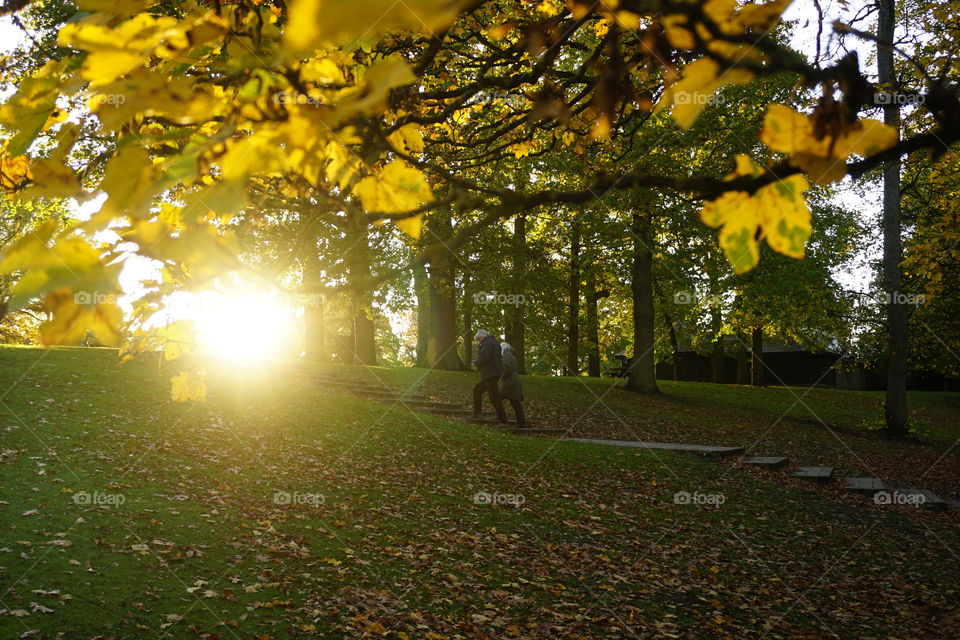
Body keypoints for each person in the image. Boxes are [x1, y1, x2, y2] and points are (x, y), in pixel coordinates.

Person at [471, 330, 509, 426]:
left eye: (478, 339)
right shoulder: (494, 342)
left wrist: (476, 362)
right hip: (493, 373)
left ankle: (503, 421)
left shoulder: (487, 343)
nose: (479, 342)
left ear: (482, 337)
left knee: (494, 397)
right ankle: (477, 414)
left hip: (490, 373)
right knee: (477, 390)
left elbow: (485, 358)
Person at [499, 342, 527, 428]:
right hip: (514, 380)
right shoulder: (512, 355)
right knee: (515, 402)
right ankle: (522, 422)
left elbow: (507, 367)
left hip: (510, 381)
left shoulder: (507, 355)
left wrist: (503, 376)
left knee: (497, 398)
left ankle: (500, 417)